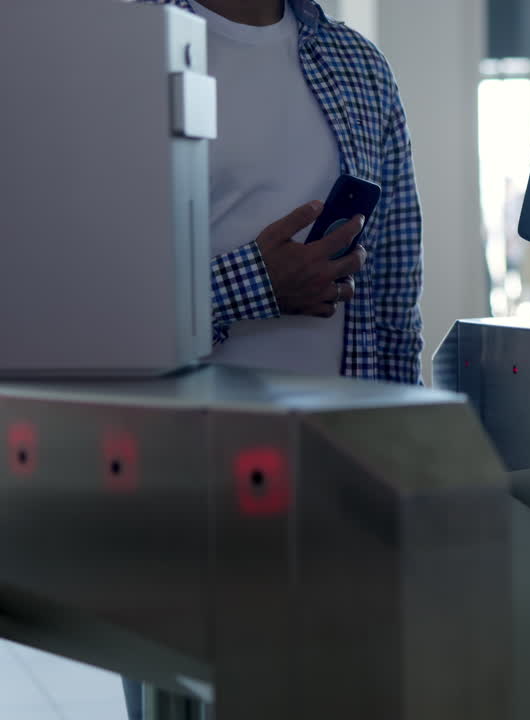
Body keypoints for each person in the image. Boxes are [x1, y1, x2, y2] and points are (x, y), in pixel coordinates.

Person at [124, 0, 424, 716]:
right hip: (183, 474)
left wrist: (399, 463)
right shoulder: (132, 47)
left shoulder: (357, 63)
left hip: (334, 471)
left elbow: (392, 291)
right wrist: (257, 282)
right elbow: (107, 288)